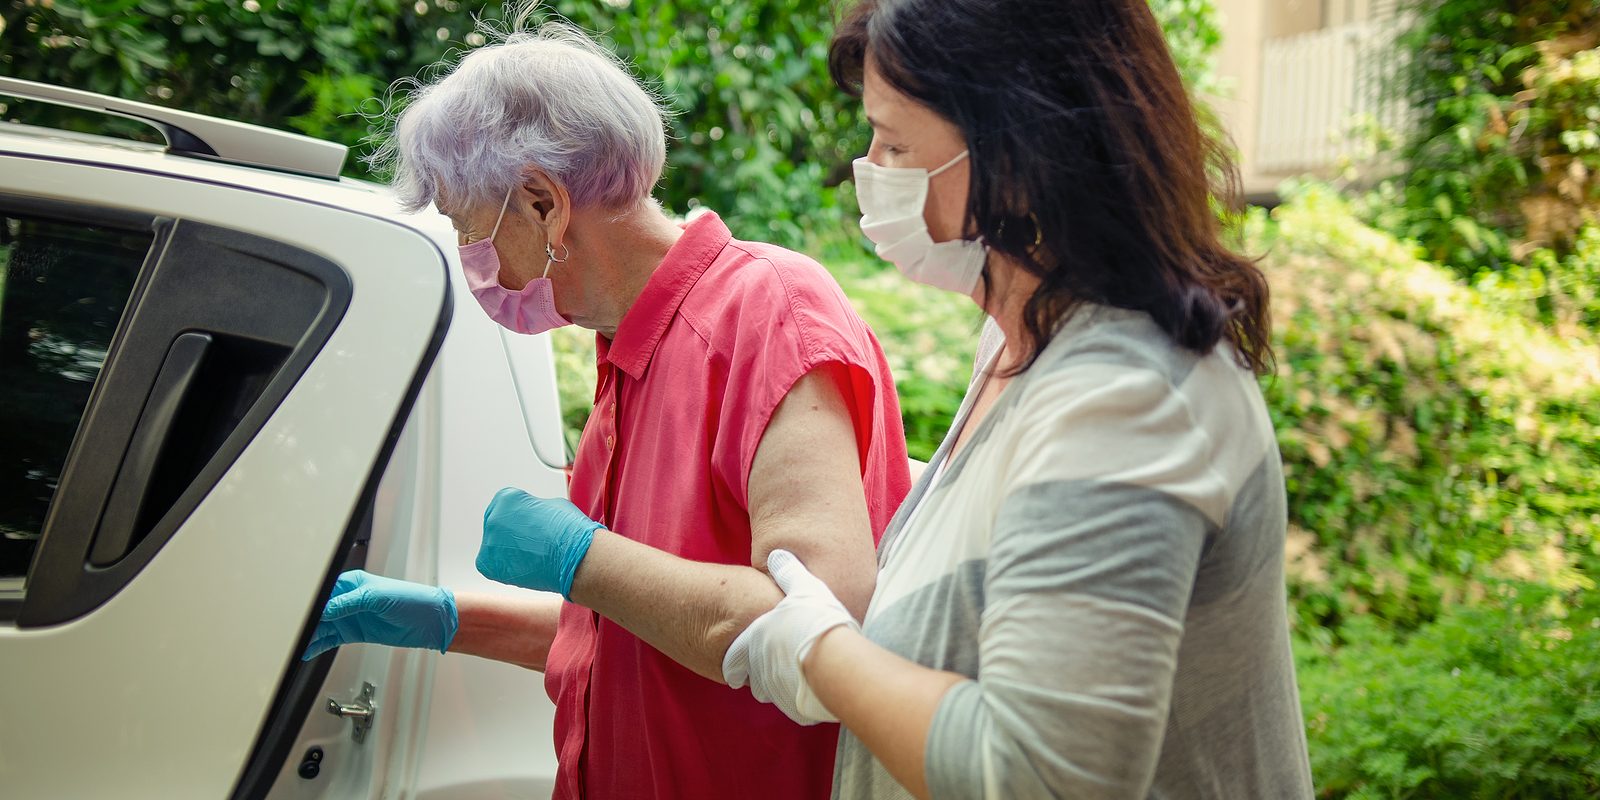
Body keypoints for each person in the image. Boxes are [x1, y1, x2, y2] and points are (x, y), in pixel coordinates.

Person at [720, 0, 1317, 798]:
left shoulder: (1125, 399)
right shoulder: (1018, 345)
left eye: (896, 143)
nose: (870, 169)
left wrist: (818, 651)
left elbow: (1037, 774)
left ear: (1022, 155)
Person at [303, 20, 911, 800]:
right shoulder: (626, 351)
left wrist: (579, 558)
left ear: (543, 203)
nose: (473, 263)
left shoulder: (768, 311)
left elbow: (814, 629)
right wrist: (450, 620)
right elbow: (632, 633)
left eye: (469, 230)